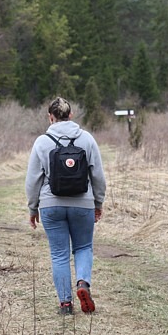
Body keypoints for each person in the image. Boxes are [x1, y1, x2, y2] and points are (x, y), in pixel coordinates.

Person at [26, 97, 106, 315]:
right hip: (83, 204)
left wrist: (33, 208)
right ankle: (83, 283)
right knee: (83, 247)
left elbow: (33, 179)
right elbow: (98, 175)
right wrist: (98, 202)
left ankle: (65, 304)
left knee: (59, 254)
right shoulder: (87, 139)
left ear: (50, 117)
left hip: (51, 205)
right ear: (71, 115)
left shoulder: (42, 142)